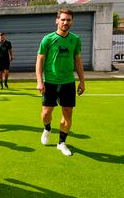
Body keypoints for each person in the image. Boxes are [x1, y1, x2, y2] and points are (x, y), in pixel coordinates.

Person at [36, 9, 85, 156]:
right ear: (57, 20)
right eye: (63, 19)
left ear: (72, 21)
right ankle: (47, 128)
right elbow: (39, 60)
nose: (65, 22)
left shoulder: (75, 39)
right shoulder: (48, 39)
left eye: (68, 20)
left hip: (68, 82)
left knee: (68, 112)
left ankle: (62, 143)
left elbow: (78, 61)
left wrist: (82, 81)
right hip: (50, 82)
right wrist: (39, 81)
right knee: (46, 113)